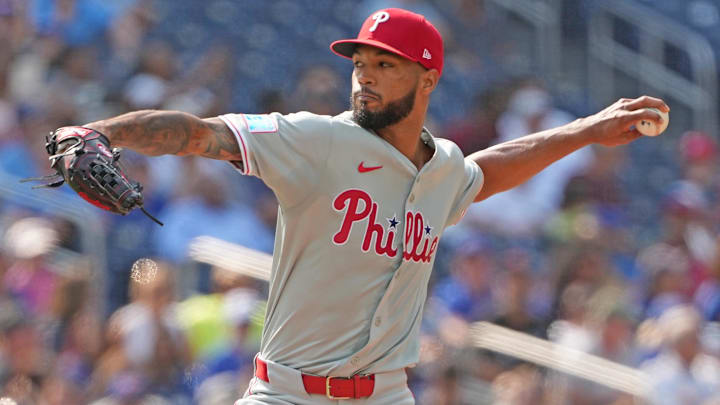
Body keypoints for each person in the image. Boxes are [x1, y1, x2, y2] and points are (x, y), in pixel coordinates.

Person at [62, 8, 667, 404]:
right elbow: (200, 133)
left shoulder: (443, 168)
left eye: (385, 65)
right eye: (359, 63)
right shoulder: (316, 139)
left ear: (427, 80)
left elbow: (485, 172)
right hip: (289, 393)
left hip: (387, 394)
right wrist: (103, 133)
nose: (364, 77)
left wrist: (587, 129)